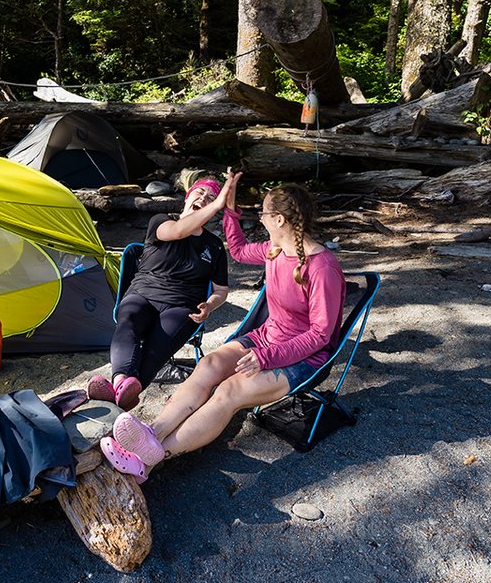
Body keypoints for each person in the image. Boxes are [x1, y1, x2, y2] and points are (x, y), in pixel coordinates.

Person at [100, 173, 346, 480]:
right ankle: (152, 433)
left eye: (264, 213)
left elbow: (321, 335)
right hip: (266, 338)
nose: (261, 217)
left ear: (280, 220)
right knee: (209, 364)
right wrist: (230, 208)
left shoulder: (321, 268)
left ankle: (149, 461)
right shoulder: (275, 249)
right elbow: (240, 250)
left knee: (229, 391)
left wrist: (267, 358)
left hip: (303, 358)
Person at [87, 177, 230, 410]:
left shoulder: (213, 246)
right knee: (128, 322)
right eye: (200, 192)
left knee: (158, 346)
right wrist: (217, 203)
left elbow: (221, 290)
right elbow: (178, 231)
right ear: (187, 196)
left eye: (211, 197)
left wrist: (211, 305)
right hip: (143, 294)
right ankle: (121, 385)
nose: (204, 198)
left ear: (213, 211)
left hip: (182, 305)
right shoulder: (161, 221)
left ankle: (118, 392)